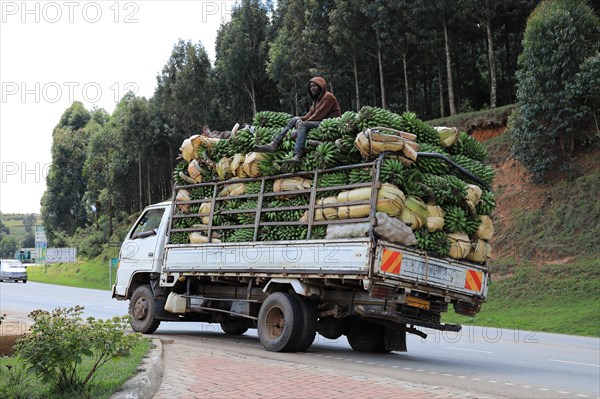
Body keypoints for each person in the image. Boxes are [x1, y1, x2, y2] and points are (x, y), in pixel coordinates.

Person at [254, 77, 341, 165]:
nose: (312, 88)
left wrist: (299, 127)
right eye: (311, 87)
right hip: (319, 121)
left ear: (321, 86)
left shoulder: (328, 96)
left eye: (315, 86)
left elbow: (318, 115)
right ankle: (274, 143)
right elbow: (309, 114)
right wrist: (299, 119)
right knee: (294, 119)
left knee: (302, 125)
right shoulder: (316, 101)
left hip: (329, 123)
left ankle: (298, 155)